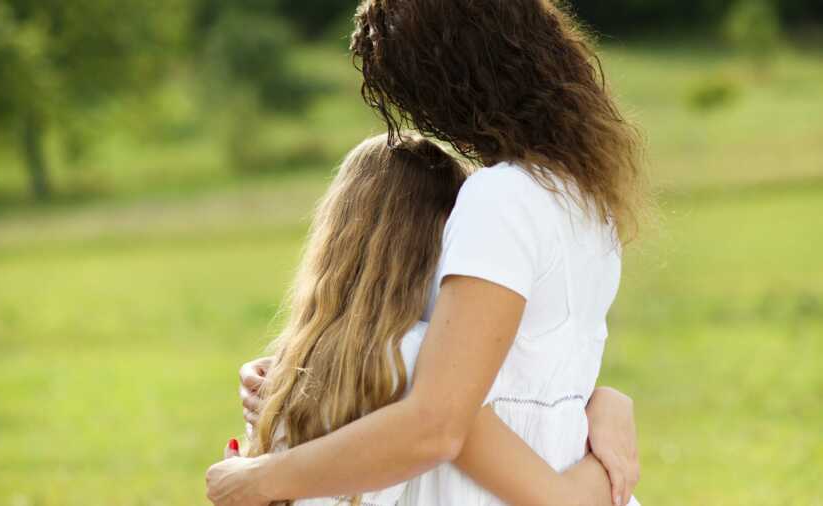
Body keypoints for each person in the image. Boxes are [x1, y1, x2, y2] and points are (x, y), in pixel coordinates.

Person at [208, 0, 646, 504]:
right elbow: (522, 371)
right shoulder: (584, 201)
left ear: (453, 81)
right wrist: (604, 403)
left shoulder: (502, 198)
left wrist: (259, 477)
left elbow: (437, 423)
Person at [225, 132, 631, 506]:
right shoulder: (417, 361)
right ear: (432, 249)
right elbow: (562, 500)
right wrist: (611, 455)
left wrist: (603, 400)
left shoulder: (297, 368)